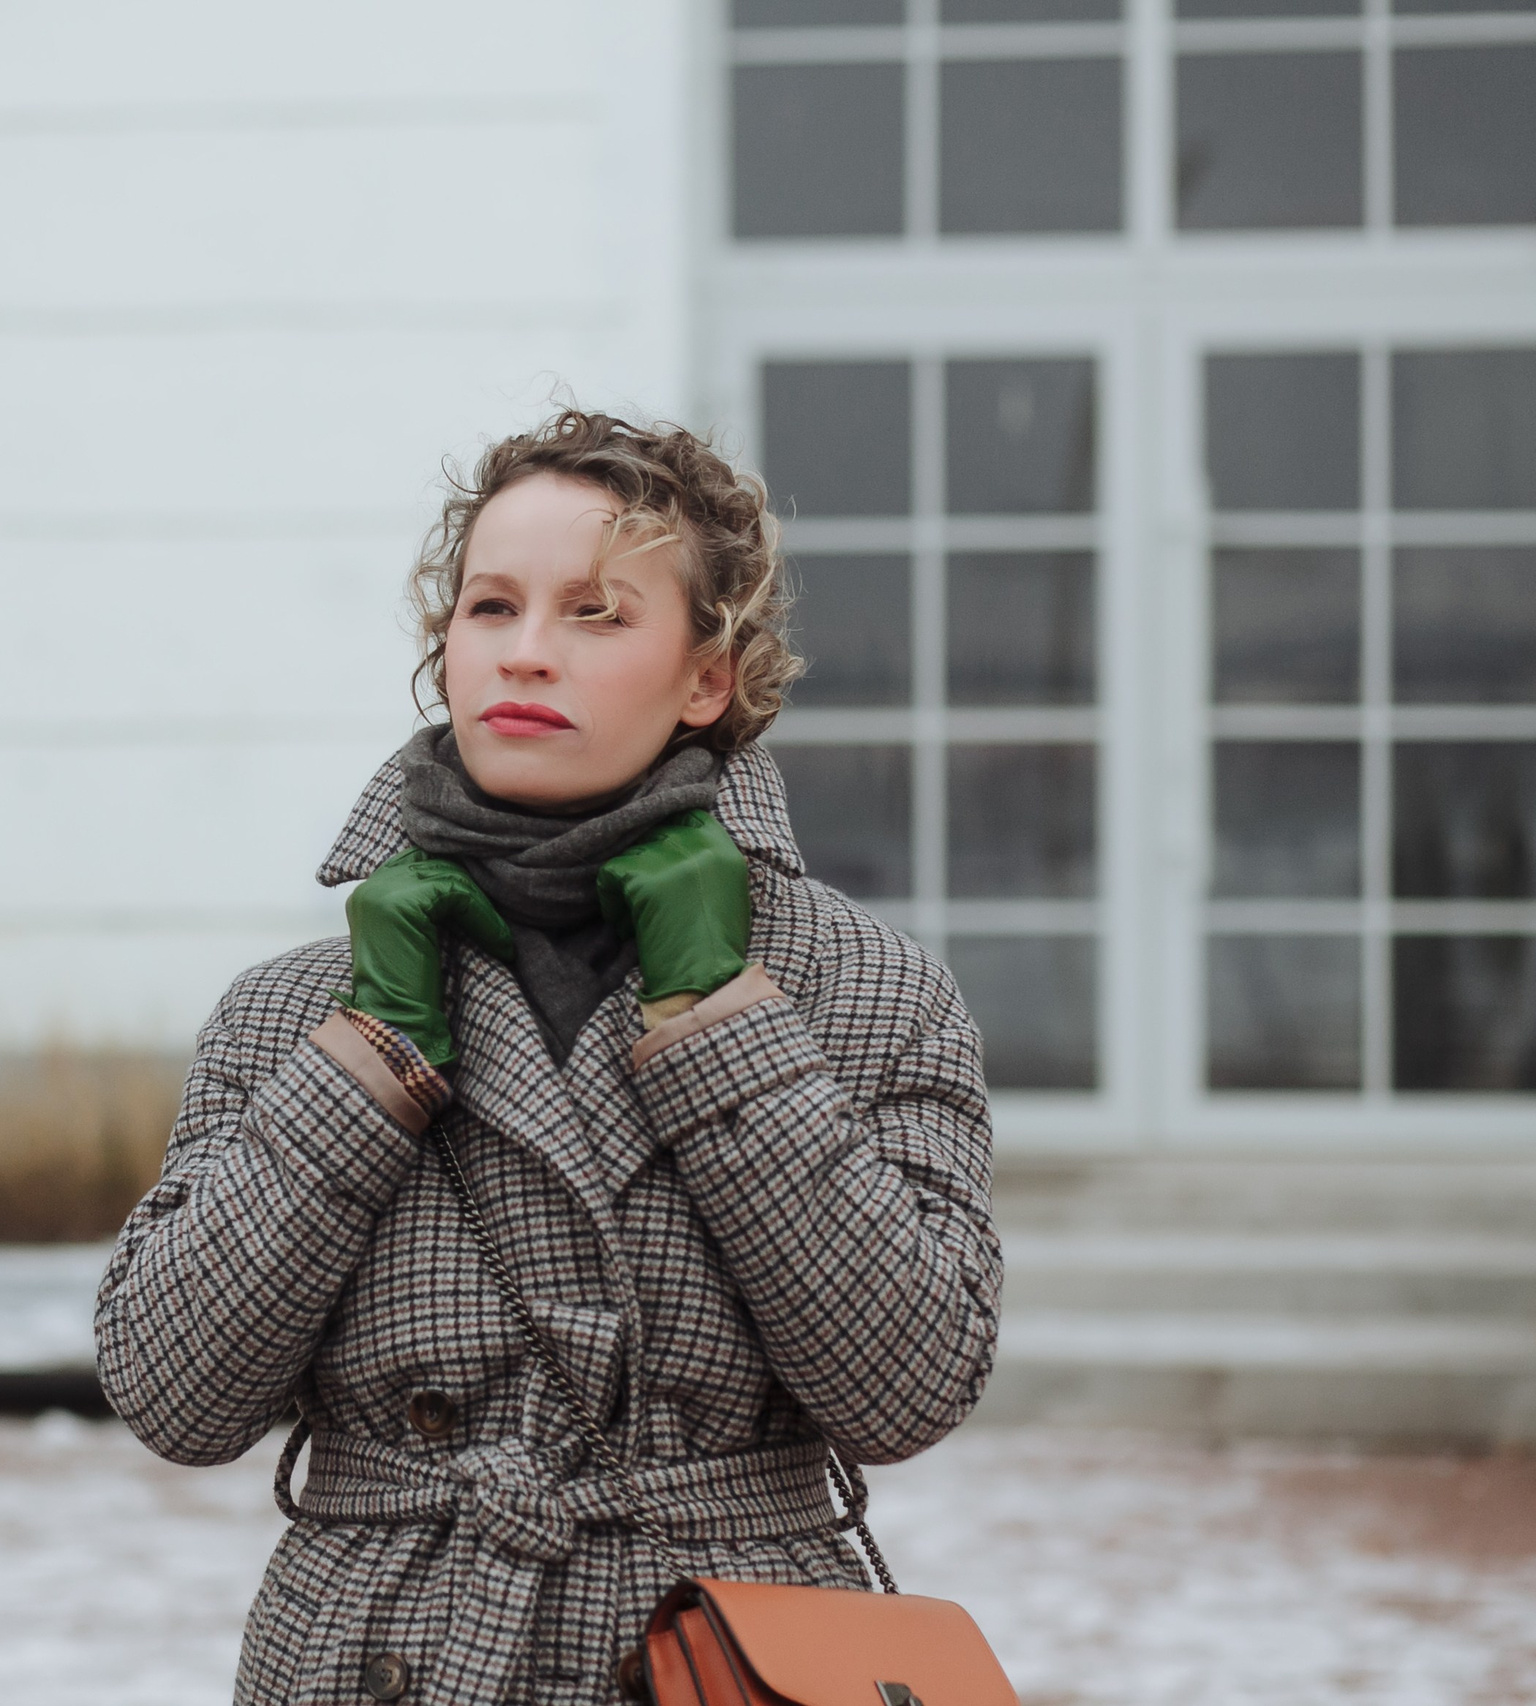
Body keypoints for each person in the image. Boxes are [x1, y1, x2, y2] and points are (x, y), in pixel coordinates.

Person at [95, 409, 999, 1706]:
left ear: (707, 677)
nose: (526, 652)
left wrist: (722, 1026)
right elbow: (174, 1396)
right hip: (382, 1648)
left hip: (720, 1655)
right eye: (491, 606)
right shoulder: (297, 1007)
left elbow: (907, 1386)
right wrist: (369, 1057)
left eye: (595, 613)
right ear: (443, 644)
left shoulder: (863, 990)